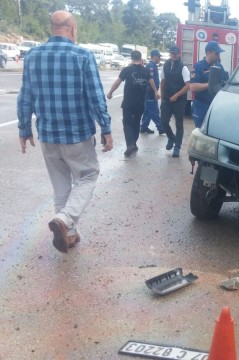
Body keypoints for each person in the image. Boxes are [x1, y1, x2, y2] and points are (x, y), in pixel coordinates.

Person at [17, 10, 113, 253]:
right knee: (88, 175)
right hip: (77, 134)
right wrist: (106, 128)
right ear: (73, 29)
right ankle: (65, 219)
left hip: (48, 134)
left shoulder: (32, 55)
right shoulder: (82, 55)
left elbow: (25, 95)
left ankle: (68, 235)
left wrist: (24, 128)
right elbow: (95, 96)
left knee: (61, 184)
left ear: (52, 28)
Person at [107, 50, 149, 157]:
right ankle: (133, 143)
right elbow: (152, 82)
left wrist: (110, 92)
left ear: (131, 58)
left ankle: (130, 144)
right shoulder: (146, 71)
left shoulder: (127, 70)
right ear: (140, 58)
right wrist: (156, 93)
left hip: (128, 102)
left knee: (127, 123)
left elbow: (118, 82)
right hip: (140, 103)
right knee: (136, 122)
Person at [190, 41, 229, 128]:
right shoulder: (198, 67)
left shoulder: (219, 66)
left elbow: (225, 82)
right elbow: (192, 87)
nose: (219, 55)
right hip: (201, 106)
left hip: (215, 106)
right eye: (216, 53)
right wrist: (211, 84)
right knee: (200, 132)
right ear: (208, 52)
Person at [160, 46, 190, 158]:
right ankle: (171, 137)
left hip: (179, 100)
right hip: (167, 99)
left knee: (179, 124)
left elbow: (188, 86)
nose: (173, 55)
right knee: (163, 121)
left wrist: (177, 95)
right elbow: (162, 82)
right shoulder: (166, 65)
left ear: (179, 54)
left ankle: (177, 147)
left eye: (175, 53)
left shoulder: (183, 68)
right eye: (171, 53)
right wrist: (163, 98)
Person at [140, 49, 164, 135]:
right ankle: (160, 128)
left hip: (151, 91)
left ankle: (144, 127)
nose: (159, 59)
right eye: (158, 57)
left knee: (147, 110)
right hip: (150, 91)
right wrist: (155, 91)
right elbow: (151, 80)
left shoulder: (153, 65)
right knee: (154, 110)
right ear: (154, 56)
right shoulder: (150, 66)